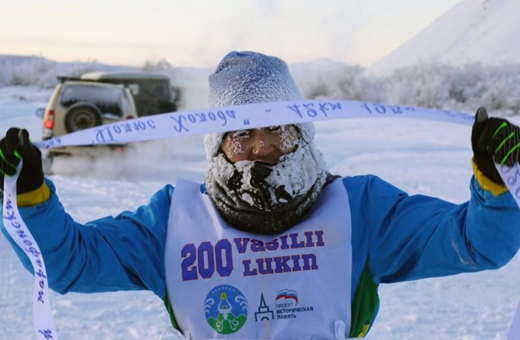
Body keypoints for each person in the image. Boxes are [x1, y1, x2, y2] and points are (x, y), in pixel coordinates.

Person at [1, 51, 520, 339]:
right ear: (218, 144)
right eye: (241, 134)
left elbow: (475, 243)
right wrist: (27, 197)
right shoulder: (174, 221)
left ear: (303, 133)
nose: (260, 148)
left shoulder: (362, 211)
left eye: (277, 130)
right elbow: (68, 263)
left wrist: (495, 185)